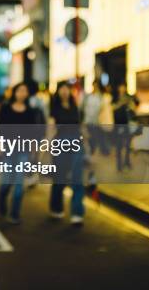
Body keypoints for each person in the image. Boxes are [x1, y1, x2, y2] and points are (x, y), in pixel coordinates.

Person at [0, 81, 40, 223]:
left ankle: (15, 214)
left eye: (24, 91)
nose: (22, 93)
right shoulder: (5, 109)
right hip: (9, 149)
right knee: (6, 183)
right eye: (19, 90)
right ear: (14, 92)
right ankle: (2, 200)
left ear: (27, 94)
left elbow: (33, 132)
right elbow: (0, 129)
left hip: (24, 150)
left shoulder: (30, 111)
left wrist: (34, 149)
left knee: (19, 184)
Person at [49, 82, 85, 226]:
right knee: (59, 178)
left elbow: (80, 126)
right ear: (58, 92)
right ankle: (56, 207)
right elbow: (51, 127)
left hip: (76, 142)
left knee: (77, 178)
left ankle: (77, 213)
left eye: (66, 89)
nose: (64, 92)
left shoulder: (75, 107)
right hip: (60, 143)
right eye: (61, 89)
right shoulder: (55, 109)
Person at [112, 83, 138, 171]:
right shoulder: (115, 98)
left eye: (123, 87)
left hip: (127, 124)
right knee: (119, 145)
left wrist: (130, 104)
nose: (122, 88)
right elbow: (112, 108)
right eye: (121, 87)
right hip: (118, 124)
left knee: (127, 145)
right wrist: (120, 103)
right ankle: (119, 165)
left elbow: (134, 107)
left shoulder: (128, 97)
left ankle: (127, 162)